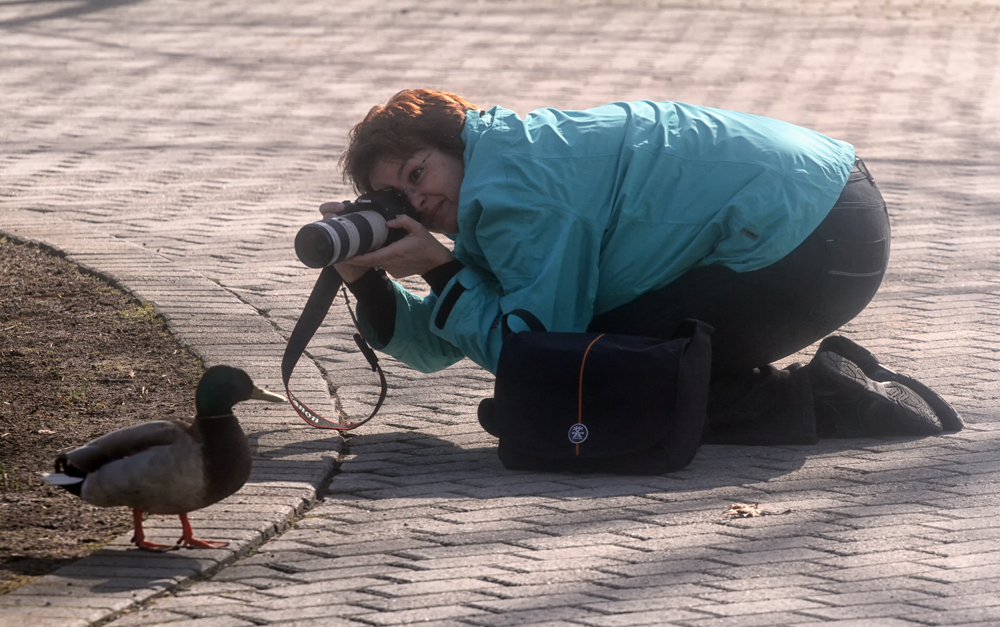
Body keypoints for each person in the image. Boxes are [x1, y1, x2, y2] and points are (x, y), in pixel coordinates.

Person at [321, 89, 962, 446]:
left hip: (812, 243)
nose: (421, 202)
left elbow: (533, 349)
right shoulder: (506, 163)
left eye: (418, 173)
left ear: (453, 142)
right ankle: (829, 382)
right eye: (400, 200)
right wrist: (369, 278)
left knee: (591, 382)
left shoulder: (519, 192)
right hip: (833, 213)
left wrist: (437, 269)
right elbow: (445, 345)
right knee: (576, 376)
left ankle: (818, 400)